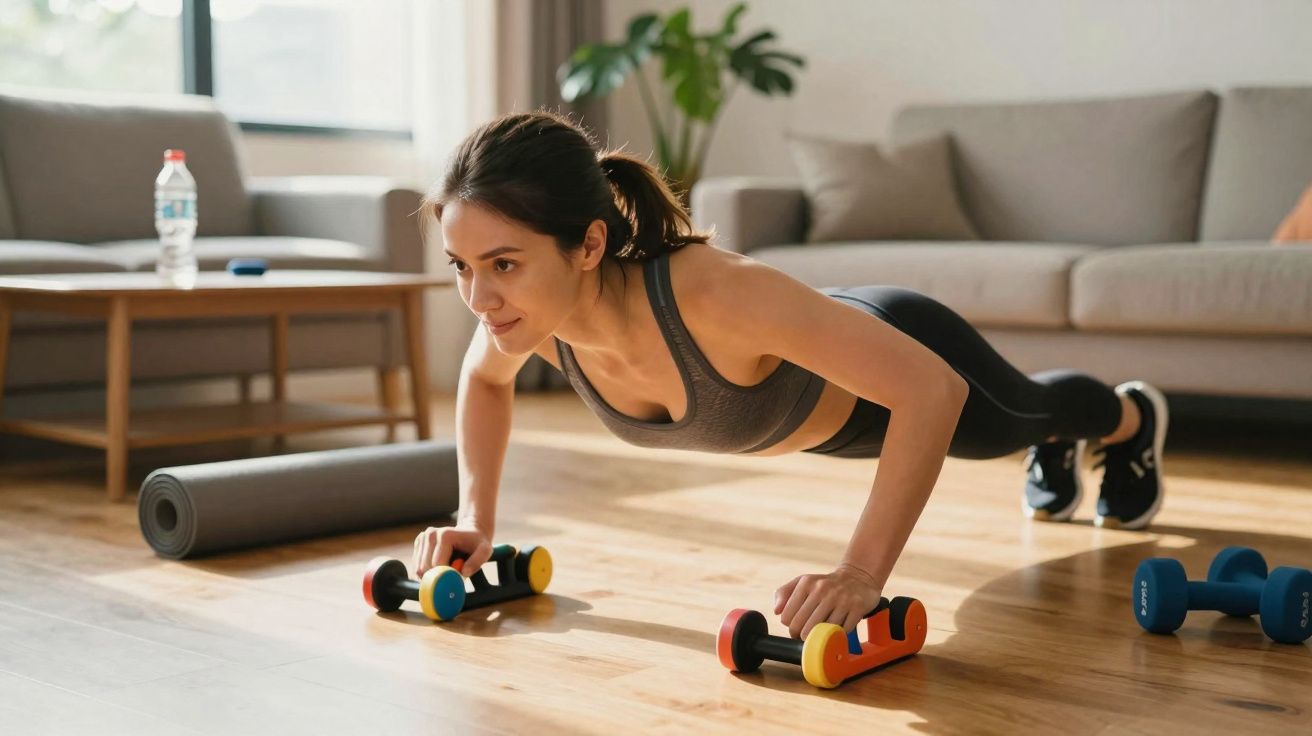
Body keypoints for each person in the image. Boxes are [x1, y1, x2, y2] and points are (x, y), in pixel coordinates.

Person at [411, 111, 1169, 641]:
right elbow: (482, 383)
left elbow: (933, 390)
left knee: (1023, 417)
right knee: (1026, 422)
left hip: (897, 353)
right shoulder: (530, 322)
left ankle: (1132, 421)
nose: (479, 298)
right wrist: (476, 516)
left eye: (503, 264)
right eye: (462, 268)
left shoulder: (713, 295)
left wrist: (859, 572)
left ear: (588, 245)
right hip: (825, 401)